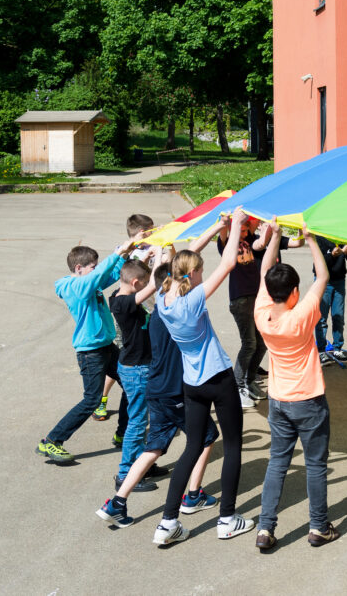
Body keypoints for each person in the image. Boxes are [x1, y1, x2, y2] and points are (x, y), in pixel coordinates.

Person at [152, 210, 255, 545]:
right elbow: (226, 266)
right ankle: (226, 519)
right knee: (235, 443)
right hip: (218, 377)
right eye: (199, 271)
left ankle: (167, 523)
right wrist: (237, 226)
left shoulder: (163, 297)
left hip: (192, 383)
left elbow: (185, 258)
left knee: (191, 447)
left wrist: (216, 227)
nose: (202, 273)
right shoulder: (193, 299)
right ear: (193, 275)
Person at [96, 262, 220, 528]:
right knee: (207, 436)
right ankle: (194, 495)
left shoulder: (158, 309)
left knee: (153, 446)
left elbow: (167, 278)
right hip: (173, 391)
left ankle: (117, 502)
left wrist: (165, 255)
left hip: (156, 389)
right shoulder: (179, 315)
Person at [254, 223, 338, 550]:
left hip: (278, 401)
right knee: (315, 465)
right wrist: (314, 237)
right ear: (292, 293)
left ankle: (265, 528)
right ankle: (318, 527)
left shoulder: (263, 313)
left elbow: (265, 270)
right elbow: (323, 277)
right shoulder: (301, 315)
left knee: (278, 463)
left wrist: (274, 235)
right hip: (308, 401)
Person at [36, 233, 144, 462]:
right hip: (90, 352)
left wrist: (128, 255)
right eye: (92, 268)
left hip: (105, 346)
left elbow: (111, 274)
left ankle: (123, 433)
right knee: (92, 399)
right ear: (78, 268)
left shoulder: (90, 282)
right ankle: (52, 441)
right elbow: (94, 278)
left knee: (130, 385)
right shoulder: (74, 287)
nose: (96, 271)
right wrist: (116, 252)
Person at [217, 216, 303, 408]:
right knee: (249, 343)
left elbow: (261, 243)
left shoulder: (250, 241)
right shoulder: (228, 245)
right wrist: (226, 221)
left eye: (248, 228)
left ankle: (249, 380)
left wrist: (271, 227)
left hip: (257, 298)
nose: (246, 232)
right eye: (243, 228)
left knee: (262, 343)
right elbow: (223, 232)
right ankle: (238, 386)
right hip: (239, 299)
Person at [96, 214, 163, 424]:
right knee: (123, 361)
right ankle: (102, 399)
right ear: (141, 233)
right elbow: (141, 276)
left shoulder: (147, 251)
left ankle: (127, 421)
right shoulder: (126, 252)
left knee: (132, 363)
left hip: (147, 309)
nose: (153, 234)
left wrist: (162, 246)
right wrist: (154, 250)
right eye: (150, 231)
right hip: (128, 312)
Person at [108, 256, 165, 493]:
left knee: (142, 420)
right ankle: (125, 474)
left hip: (139, 367)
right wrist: (160, 254)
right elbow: (153, 284)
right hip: (136, 370)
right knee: (138, 422)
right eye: (142, 283)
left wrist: (157, 254)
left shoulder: (120, 293)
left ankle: (143, 466)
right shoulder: (121, 303)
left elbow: (146, 280)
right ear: (134, 283)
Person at [313, 234, 347, 367]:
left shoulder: (342, 235)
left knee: (339, 316)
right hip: (323, 281)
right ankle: (320, 351)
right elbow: (319, 260)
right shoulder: (319, 236)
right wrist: (331, 254)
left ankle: (337, 349)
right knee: (321, 319)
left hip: (339, 280)